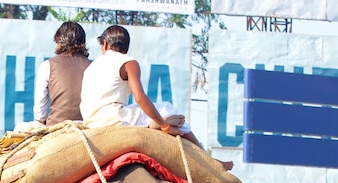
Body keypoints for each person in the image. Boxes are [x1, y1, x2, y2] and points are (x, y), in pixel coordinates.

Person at [80, 25, 233, 169]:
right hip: (114, 118)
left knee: (152, 111)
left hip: (90, 121)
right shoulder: (128, 62)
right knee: (168, 108)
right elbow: (139, 98)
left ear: (105, 45)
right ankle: (209, 160)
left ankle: (152, 124)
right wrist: (165, 125)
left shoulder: (91, 67)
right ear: (126, 47)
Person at [34, 21, 92, 126]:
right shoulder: (94, 67)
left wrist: (42, 122)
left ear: (59, 41)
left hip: (55, 128)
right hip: (86, 127)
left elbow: (40, 112)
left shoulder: (48, 65)